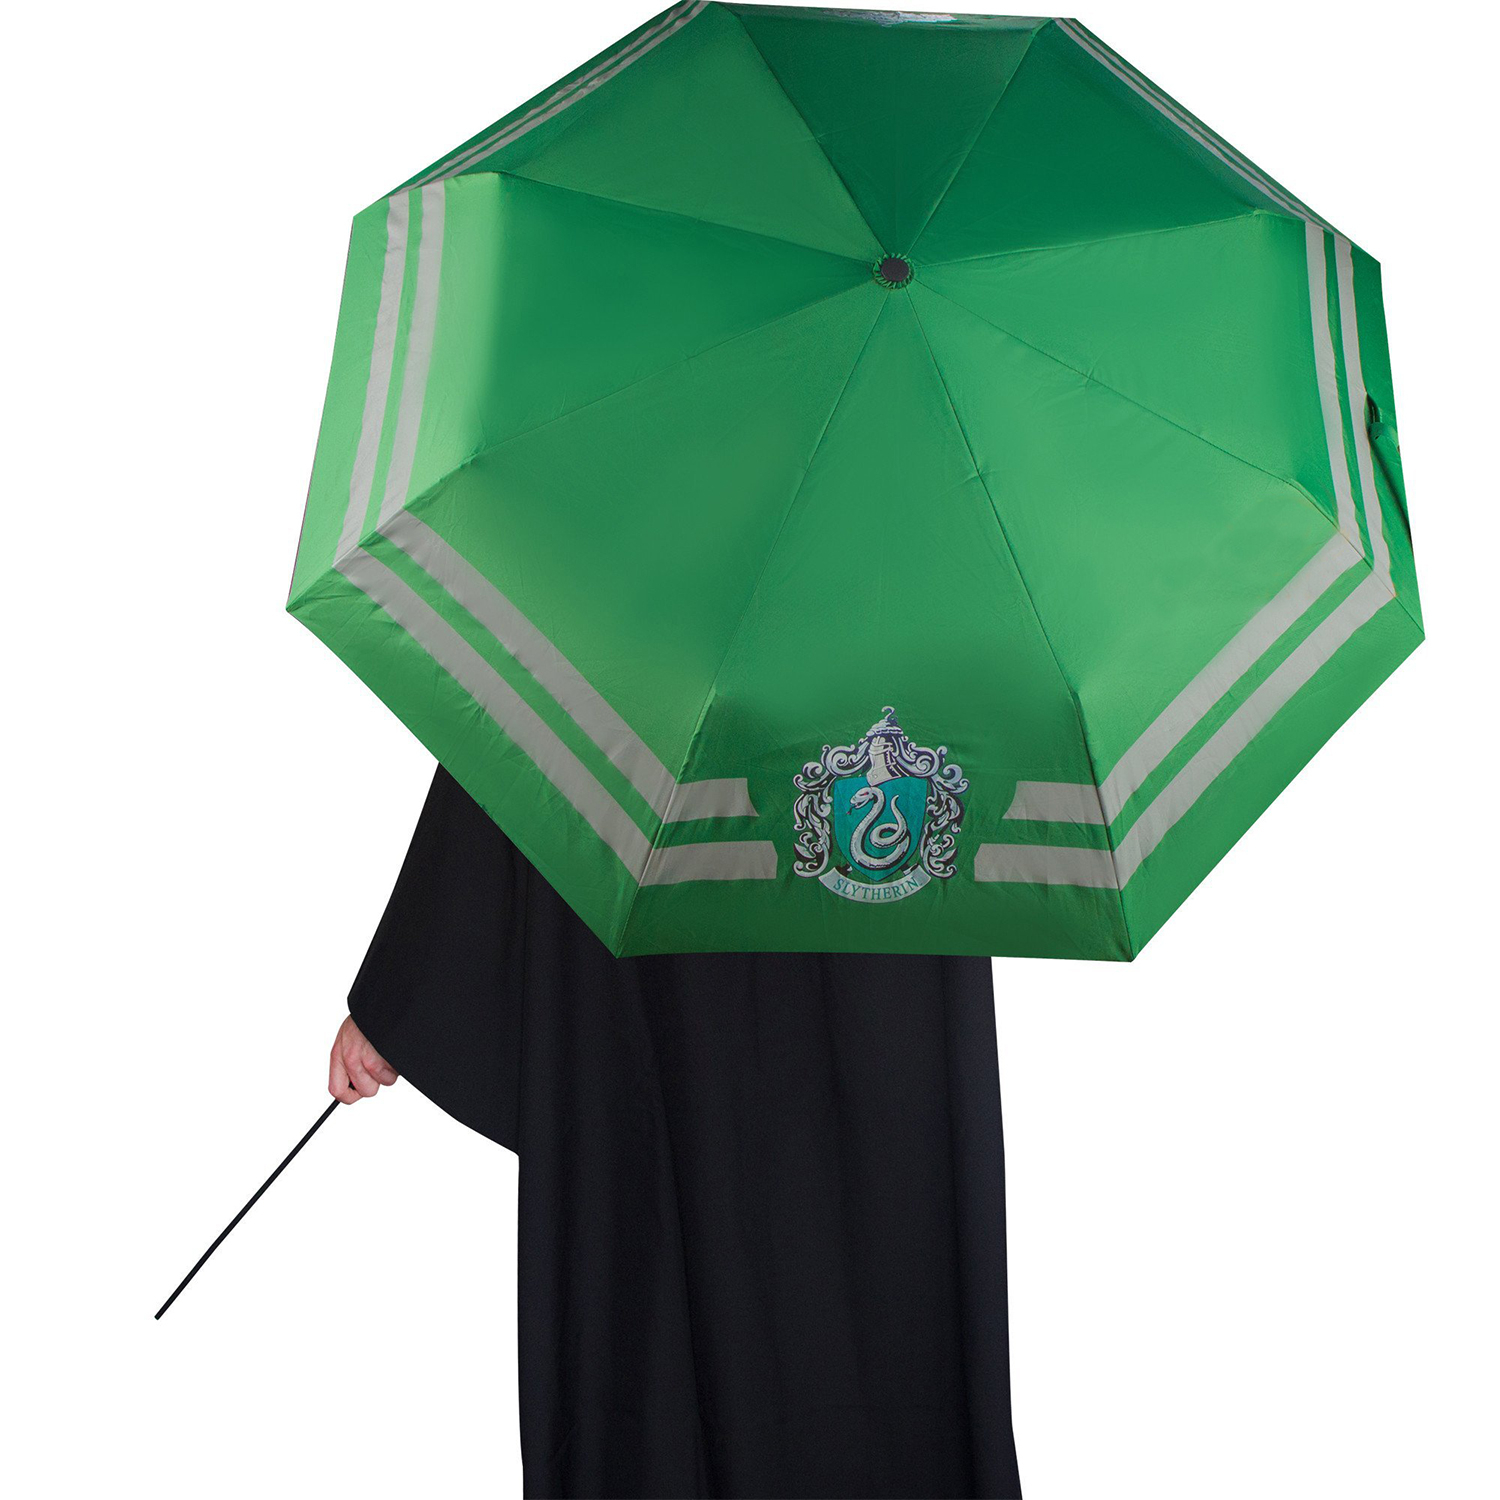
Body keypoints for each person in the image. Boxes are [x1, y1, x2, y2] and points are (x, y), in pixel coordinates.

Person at [329, 765, 1023, 1499]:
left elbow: (532, 724)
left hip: (842, 961)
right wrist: (402, 997)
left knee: (850, 1298)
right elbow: (533, 724)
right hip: (702, 964)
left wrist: (408, 993)